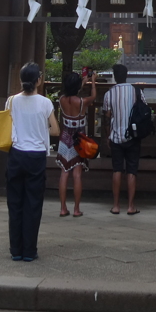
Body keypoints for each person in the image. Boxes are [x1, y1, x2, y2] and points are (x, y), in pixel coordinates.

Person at [6, 62, 59, 262]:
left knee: (15, 203)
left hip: (16, 154)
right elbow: (55, 131)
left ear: (21, 80)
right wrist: (41, 126)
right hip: (36, 156)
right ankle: (29, 250)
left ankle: (15, 250)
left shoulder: (11, 101)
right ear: (39, 80)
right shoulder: (45, 103)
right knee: (33, 204)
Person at [101, 62, 143, 215]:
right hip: (133, 136)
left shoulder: (109, 94)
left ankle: (116, 205)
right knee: (132, 170)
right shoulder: (136, 91)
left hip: (116, 136)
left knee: (117, 169)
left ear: (114, 77)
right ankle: (131, 206)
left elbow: (106, 118)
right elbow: (145, 109)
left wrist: (108, 135)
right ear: (126, 76)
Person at [56, 70, 97, 217]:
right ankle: (76, 209)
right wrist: (92, 82)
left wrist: (82, 81)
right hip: (78, 140)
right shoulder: (82, 102)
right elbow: (93, 96)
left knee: (64, 173)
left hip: (64, 138)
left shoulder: (61, 99)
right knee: (77, 174)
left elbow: (73, 91)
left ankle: (62, 208)